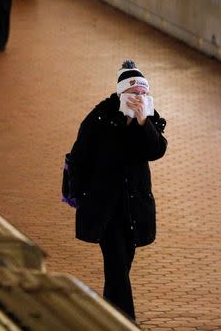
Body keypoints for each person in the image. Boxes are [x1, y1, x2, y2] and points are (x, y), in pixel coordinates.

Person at [67, 60, 167, 321]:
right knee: (116, 265)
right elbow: (78, 157)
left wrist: (144, 123)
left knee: (121, 266)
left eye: (143, 94)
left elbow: (156, 151)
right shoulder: (99, 118)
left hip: (133, 206)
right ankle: (125, 322)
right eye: (134, 94)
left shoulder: (149, 118)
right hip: (105, 205)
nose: (139, 99)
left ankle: (108, 316)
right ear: (121, 93)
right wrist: (81, 196)